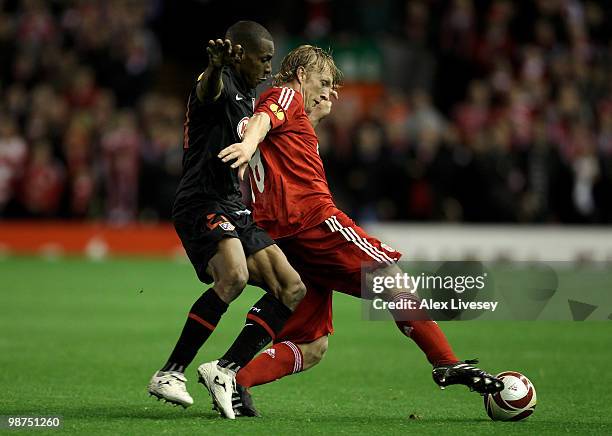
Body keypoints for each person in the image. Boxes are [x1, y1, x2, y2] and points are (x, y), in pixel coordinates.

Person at [218, 45, 503, 413]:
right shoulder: (283, 95)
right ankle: (445, 362)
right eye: (321, 82)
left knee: (313, 345)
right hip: (312, 220)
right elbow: (264, 122)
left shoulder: (291, 114)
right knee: (391, 276)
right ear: (301, 74)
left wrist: (312, 115)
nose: (327, 92)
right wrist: (247, 143)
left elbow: (279, 136)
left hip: (281, 235)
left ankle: (235, 380)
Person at [147, 22, 308, 420]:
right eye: (264, 58)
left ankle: (225, 369)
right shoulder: (216, 80)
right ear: (239, 53)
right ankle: (170, 372)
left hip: (234, 205)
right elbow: (207, 92)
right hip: (201, 200)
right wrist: (215, 68)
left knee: (291, 288)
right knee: (233, 276)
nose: (269, 68)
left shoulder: (250, 93)